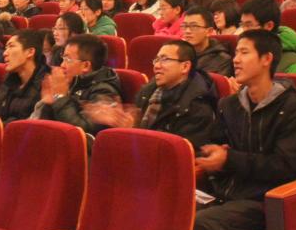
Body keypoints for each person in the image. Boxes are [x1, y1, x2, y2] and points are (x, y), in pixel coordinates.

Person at [190, 30, 296, 230]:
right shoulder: (229, 104)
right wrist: (211, 157)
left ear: (266, 59)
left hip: (266, 198)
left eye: (244, 52)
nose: (236, 59)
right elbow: (216, 145)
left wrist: (229, 159)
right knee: (173, 211)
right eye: (236, 52)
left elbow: (285, 165)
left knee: (203, 225)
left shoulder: (289, 106)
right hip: (229, 191)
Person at [87, 39, 218, 149]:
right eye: (156, 60)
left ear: (185, 66)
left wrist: (132, 131)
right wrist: (122, 121)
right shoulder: (149, 91)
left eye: (165, 59)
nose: (157, 66)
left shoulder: (197, 105)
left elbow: (176, 153)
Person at [34, 34, 122, 135]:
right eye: (63, 58)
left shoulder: (104, 91)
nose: (62, 65)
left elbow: (82, 133)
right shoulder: (71, 81)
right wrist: (48, 103)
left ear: (86, 66)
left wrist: (60, 96)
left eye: (68, 60)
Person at [239, 0, 296, 74]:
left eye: (249, 25)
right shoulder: (244, 56)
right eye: (242, 25)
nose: (244, 31)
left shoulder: (294, 66)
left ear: (269, 26)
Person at [0, 30, 50, 123]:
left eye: (11, 46)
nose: (5, 53)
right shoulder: (8, 80)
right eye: (6, 48)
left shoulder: (46, 83)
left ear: (30, 52)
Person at [181, 7, 233, 76]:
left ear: (209, 31)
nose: (187, 31)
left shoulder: (222, 60)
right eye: (184, 26)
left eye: (194, 26)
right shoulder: (178, 54)